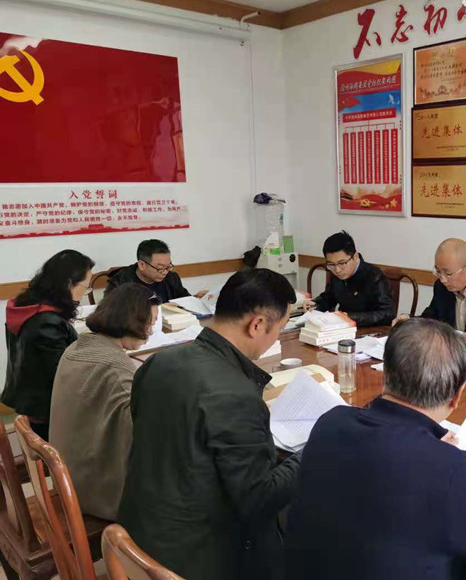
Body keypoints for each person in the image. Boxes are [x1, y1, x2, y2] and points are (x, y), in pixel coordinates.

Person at [285, 318, 466, 580]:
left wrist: (428, 448)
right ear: (456, 396)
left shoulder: (331, 422)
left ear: (385, 375)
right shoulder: (451, 470)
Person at [118, 268, 300, 580]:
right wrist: (312, 451)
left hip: (137, 533)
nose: (275, 339)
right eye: (279, 329)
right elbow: (259, 499)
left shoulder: (158, 362)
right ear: (257, 324)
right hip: (191, 557)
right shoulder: (235, 395)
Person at [49, 284, 159, 521]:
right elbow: (145, 440)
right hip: (94, 494)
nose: (150, 332)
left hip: (67, 476)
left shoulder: (76, 347)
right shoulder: (116, 368)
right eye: (150, 323)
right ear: (132, 321)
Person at [3, 250, 95, 440]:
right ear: (69, 284)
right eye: (86, 287)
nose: (86, 293)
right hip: (48, 409)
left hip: (30, 395)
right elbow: (63, 373)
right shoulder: (46, 322)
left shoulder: (28, 304)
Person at [303, 231, 395, 326]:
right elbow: (330, 297)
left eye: (342, 263)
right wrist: (316, 304)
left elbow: (388, 314)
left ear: (355, 256)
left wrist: (350, 317)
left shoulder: (374, 276)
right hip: (342, 328)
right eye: (331, 264)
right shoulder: (336, 271)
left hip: (369, 330)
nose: (337, 270)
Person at [106, 239, 206, 303]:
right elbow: (110, 315)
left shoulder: (171, 278)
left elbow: (183, 301)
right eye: (160, 268)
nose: (165, 272)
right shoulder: (119, 282)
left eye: (168, 266)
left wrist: (195, 299)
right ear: (142, 265)